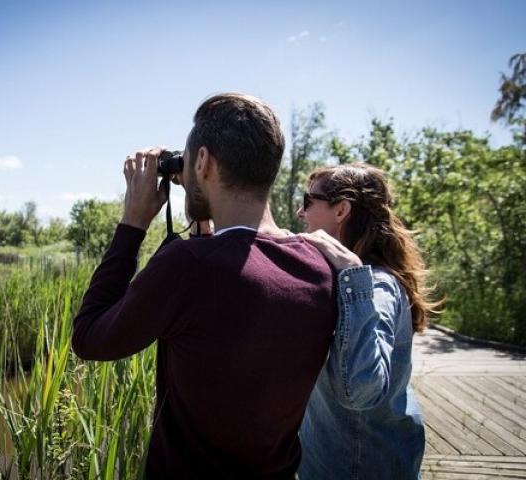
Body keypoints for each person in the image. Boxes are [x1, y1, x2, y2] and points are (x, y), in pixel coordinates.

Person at [72, 93, 337, 479]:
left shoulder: (188, 266)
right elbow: (235, 277)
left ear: (202, 162)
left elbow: (89, 337)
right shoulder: (318, 265)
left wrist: (132, 223)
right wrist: (203, 215)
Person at [296, 163, 436, 480]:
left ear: (341, 209)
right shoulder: (348, 278)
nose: (300, 212)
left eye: (307, 201)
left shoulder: (376, 285)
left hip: (359, 466)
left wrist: (353, 273)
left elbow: (360, 392)